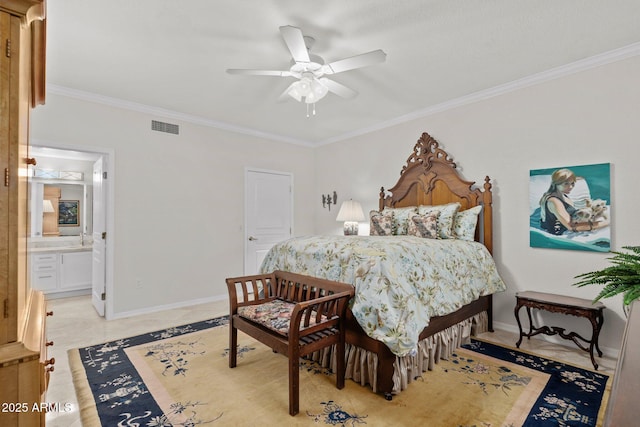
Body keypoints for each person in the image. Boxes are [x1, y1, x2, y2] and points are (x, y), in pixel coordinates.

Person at [539, 168, 609, 235]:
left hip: (573, 223)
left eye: (572, 183)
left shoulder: (561, 195)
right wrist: (603, 223)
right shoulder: (554, 201)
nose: (571, 187)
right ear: (556, 184)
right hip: (561, 231)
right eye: (566, 184)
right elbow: (571, 227)